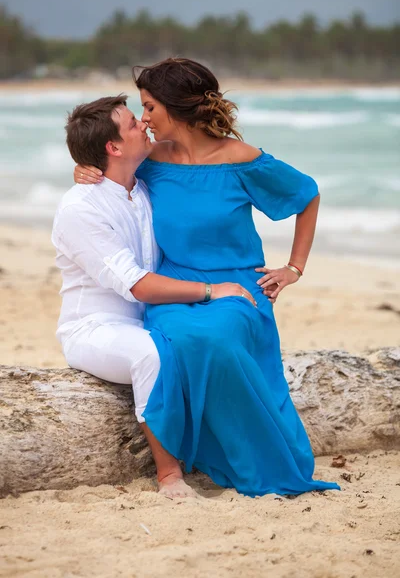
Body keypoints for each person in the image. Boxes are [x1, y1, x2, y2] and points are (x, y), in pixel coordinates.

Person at [74, 58, 340, 497]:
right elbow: (110, 168)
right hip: (174, 288)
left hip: (239, 287)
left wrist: (293, 268)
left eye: (150, 108)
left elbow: (306, 193)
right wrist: (84, 169)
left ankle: (259, 457)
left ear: (175, 107)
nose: (144, 120)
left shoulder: (241, 160)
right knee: (175, 341)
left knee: (218, 338)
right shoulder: (151, 160)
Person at [53, 94, 256, 499]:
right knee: (150, 353)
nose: (143, 124)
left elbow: (190, 164)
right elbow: (137, 284)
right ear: (113, 148)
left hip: (151, 316)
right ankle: (169, 476)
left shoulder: (144, 184)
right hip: (94, 329)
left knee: (203, 342)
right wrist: (213, 290)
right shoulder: (81, 209)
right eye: (132, 124)